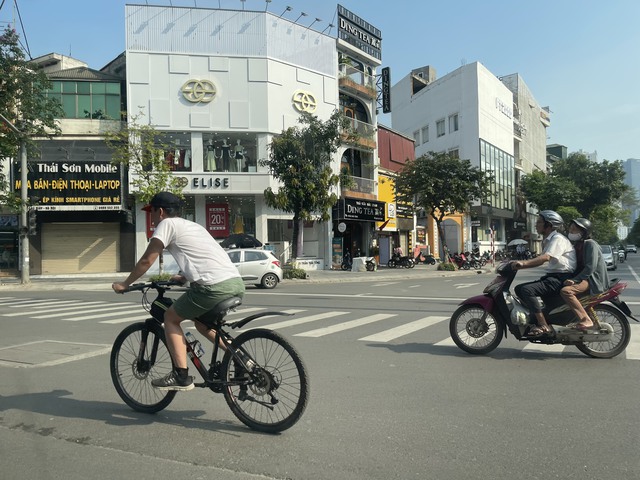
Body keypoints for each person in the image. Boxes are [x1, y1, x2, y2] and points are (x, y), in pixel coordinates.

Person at [112, 192, 245, 391]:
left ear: (161, 211)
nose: (153, 217)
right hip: (234, 283)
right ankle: (241, 357)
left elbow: (147, 260)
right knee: (202, 324)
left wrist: (125, 283)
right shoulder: (193, 226)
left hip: (212, 287)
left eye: (153, 212)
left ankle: (181, 375)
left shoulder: (166, 224)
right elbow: (202, 255)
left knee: (170, 318)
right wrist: (184, 276)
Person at [512, 210, 577, 337]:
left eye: (539, 222)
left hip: (561, 278)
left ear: (549, 225)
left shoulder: (557, 239)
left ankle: (543, 325)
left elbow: (545, 258)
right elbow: (541, 260)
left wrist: (522, 264)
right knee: (519, 289)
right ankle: (536, 318)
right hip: (553, 276)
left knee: (526, 290)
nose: (536, 225)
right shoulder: (548, 240)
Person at [560, 218, 609, 331]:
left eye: (574, 229)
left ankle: (585, 319)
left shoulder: (590, 244)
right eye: (570, 229)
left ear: (583, 232)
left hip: (592, 280)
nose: (571, 232)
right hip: (585, 278)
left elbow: (590, 267)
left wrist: (575, 280)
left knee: (566, 291)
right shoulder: (578, 244)